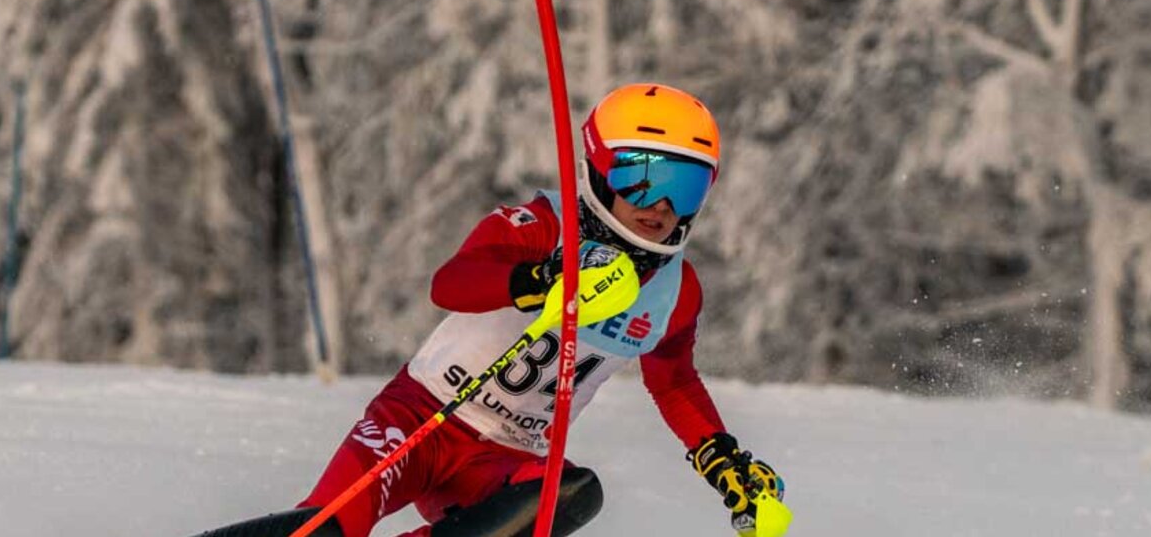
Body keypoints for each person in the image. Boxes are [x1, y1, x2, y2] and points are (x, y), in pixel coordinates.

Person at [194, 84, 784, 536]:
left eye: (684, 188)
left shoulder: (677, 291)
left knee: (571, 494)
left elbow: (675, 381)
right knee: (327, 526)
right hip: (422, 416)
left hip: (510, 457)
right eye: (639, 178)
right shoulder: (543, 226)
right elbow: (452, 284)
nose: (658, 205)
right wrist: (542, 278)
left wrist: (719, 458)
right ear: (600, 170)